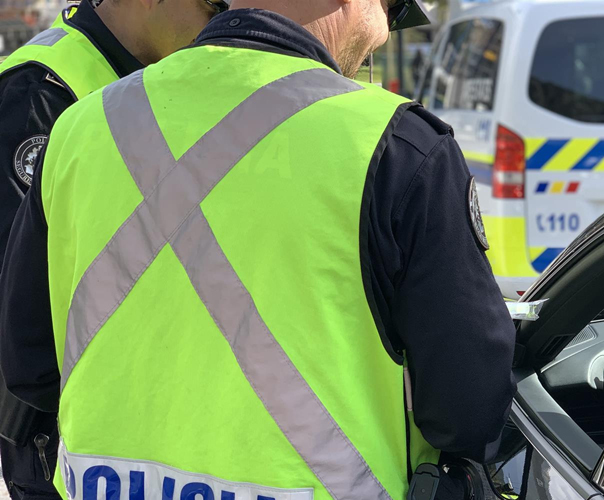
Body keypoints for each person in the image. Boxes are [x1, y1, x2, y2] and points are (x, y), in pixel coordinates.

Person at [0, 0, 517, 498]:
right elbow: (469, 408)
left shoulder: (78, 128)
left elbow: (30, 368)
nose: (383, 33)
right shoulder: (397, 146)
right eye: (389, 6)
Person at [0, 0, 223, 498]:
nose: (226, 21)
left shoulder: (150, 74)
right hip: (60, 443)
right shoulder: (43, 89)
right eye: (214, 5)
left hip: (134, 429)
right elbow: (24, 300)